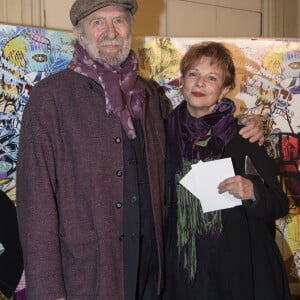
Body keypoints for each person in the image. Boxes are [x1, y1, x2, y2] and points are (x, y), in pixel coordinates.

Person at [16, 1, 265, 299]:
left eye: (119, 20)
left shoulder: (146, 95)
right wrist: (48, 291)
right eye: (98, 22)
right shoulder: (51, 98)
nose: (111, 31)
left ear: (130, 28)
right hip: (88, 277)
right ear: (78, 33)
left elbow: (190, 133)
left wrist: (246, 122)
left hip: (151, 273)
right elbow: (35, 204)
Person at [163, 41, 291, 300]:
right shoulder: (162, 136)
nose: (200, 84)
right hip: (181, 269)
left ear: (225, 90)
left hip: (235, 271)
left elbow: (279, 204)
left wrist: (253, 191)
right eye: (193, 74)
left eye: (212, 78)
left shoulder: (244, 137)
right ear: (182, 82)